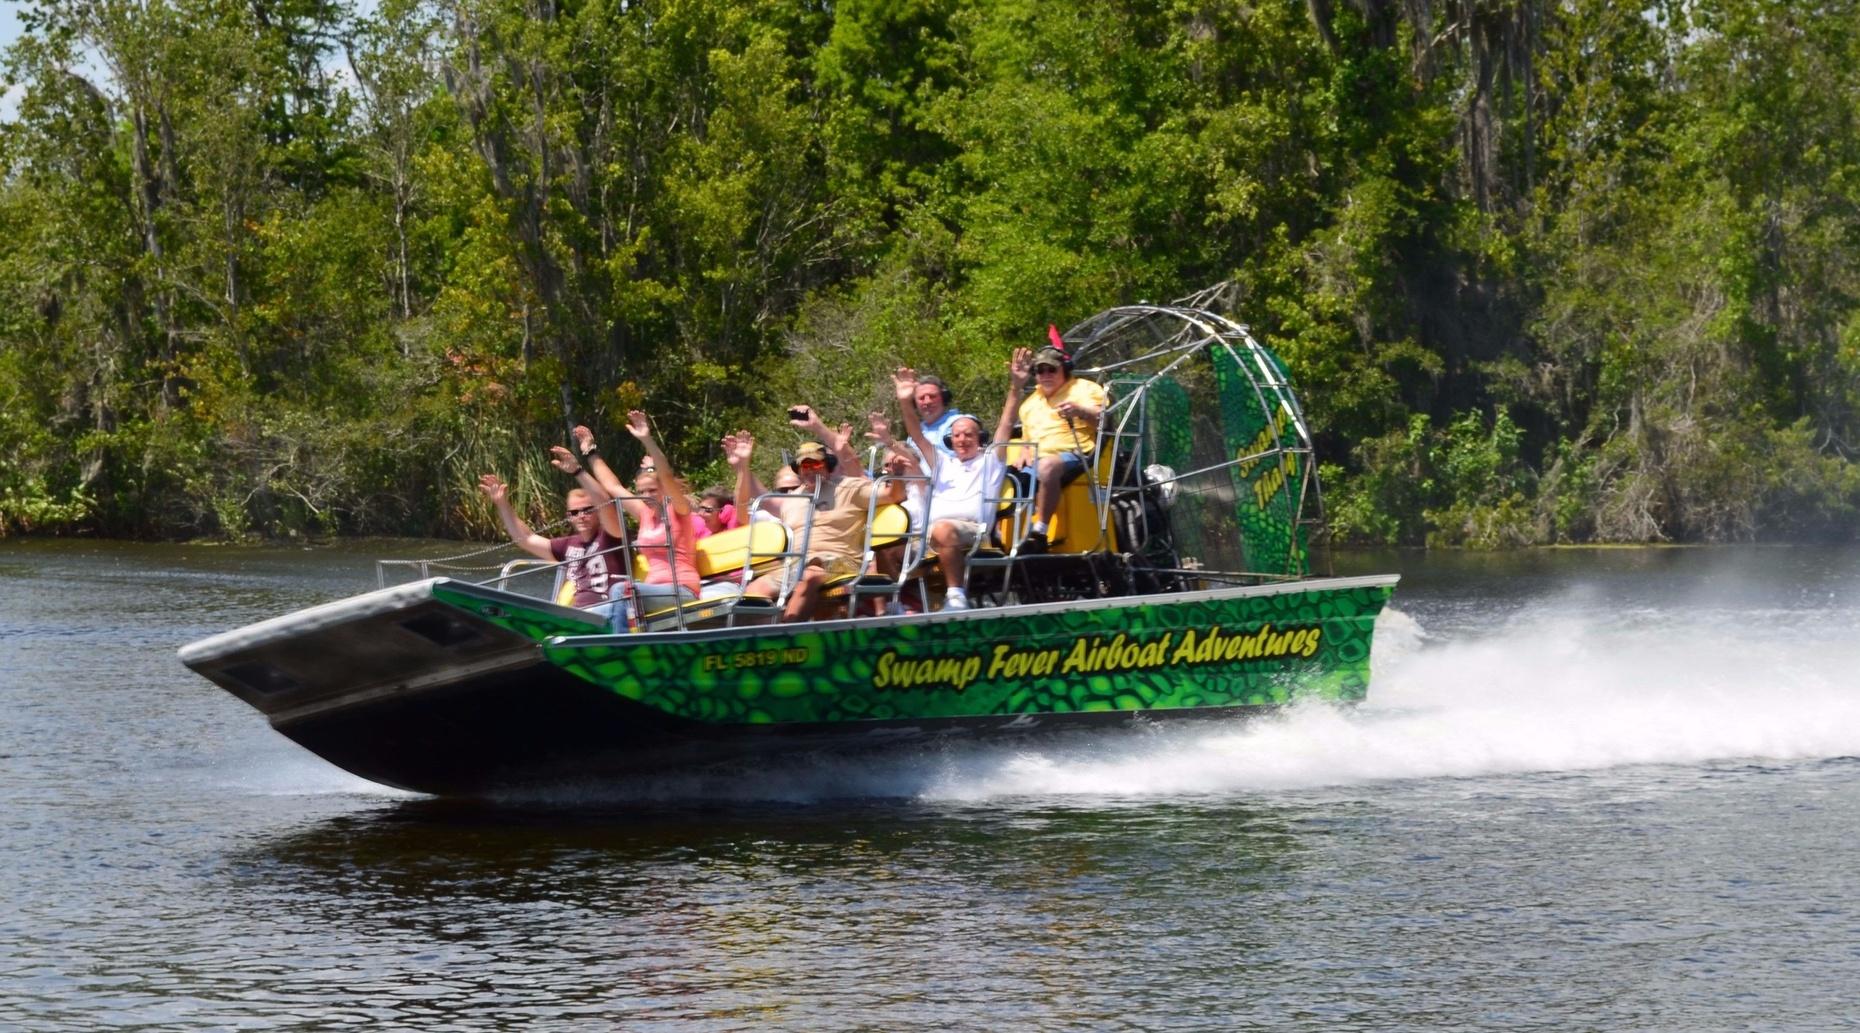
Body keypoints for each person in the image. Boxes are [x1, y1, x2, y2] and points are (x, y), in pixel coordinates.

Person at [724, 410, 903, 622]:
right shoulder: (791, 499)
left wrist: (897, 475)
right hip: (797, 565)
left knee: (810, 574)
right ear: (799, 470)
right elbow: (751, 497)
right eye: (805, 466)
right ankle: (753, 642)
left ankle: (787, 633)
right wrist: (742, 466)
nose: (810, 471)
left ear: (827, 467)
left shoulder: (849, 487)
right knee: (755, 589)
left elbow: (894, 494)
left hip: (842, 561)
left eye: (816, 464)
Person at [891, 362, 1022, 610]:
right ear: (950, 440)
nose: (962, 439)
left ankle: (956, 596)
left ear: (980, 438)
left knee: (943, 529)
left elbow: (1006, 423)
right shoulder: (943, 462)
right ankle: (911, 604)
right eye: (957, 435)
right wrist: (905, 401)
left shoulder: (990, 461)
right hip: (933, 532)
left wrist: (1016, 386)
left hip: (972, 532)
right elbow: (916, 434)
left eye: (969, 434)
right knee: (888, 546)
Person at [570, 412, 703, 618]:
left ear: (664, 490)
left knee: (620, 591)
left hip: (682, 590)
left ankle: (619, 645)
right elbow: (612, 486)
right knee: (596, 611)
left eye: (652, 490)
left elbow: (666, 475)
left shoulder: (679, 510)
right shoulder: (644, 513)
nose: (646, 496)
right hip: (651, 591)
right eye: (641, 492)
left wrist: (646, 439)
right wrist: (590, 452)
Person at [477, 453, 627, 611]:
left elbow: (604, 501)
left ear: (598, 512)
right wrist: (502, 503)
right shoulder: (568, 545)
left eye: (588, 510)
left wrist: (577, 471)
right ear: (569, 517)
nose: (581, 516)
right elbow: (525, 539)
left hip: (608, 609)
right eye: (575, 513)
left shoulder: (612, 535)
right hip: (578, 614)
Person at [1015, 325, 1107, 554]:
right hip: (1038, 457)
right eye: (1040, 370)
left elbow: (1106, 420)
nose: (1045, 375)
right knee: (1001, 475)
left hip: (1078, 455)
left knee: (1047, 466)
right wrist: (1024, 450)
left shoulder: (1084, 389)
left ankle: (1040, 531)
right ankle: (994, 536)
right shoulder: (1029, 404)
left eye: (1051, 370)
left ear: (1064, 370)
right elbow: (1027, 438)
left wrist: (1080, 411)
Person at [909, 374, 972, 458]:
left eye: (932, 396)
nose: (927, 402)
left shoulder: (959, 423)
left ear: (944, 398)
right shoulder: (916, 431)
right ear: (915, 403)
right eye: (921, 398)